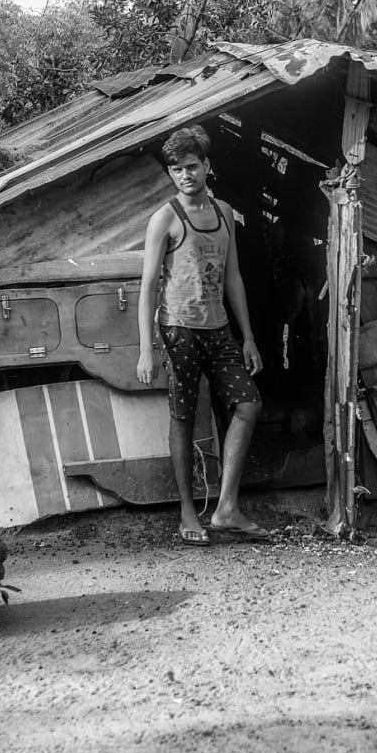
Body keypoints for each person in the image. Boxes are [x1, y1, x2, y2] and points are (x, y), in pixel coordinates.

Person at [137, 124, 268, 546]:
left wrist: (247, 335)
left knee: (248, 404)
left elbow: (233, 277)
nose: (185, 176)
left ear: (207, 166)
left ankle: (226, 508)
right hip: (179, 330)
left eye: (191, 167)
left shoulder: (225, 213)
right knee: (184, 417)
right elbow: (148, 287)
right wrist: (146, 349)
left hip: (218, 329)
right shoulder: (165, 219)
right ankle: (188, 512)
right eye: (176, 170)